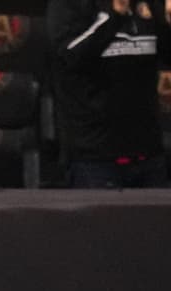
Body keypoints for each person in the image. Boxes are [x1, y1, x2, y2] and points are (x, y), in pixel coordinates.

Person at [48, 0, 171, 188]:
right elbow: (70, 56)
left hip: (149, 152)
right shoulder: (69, 4)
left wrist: (168, 23)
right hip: (94, 157)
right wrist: (114, 15)